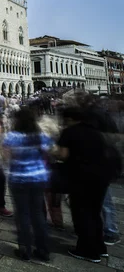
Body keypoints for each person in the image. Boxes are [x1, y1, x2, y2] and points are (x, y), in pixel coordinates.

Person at [58, 105, 110, 263]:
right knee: (95, 213)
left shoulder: (70, 132)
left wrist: (52, 150)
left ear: (69, 119)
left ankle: (87, 250)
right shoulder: (96, 132)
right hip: (101, 177)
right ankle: (100, 248)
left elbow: (62, 155)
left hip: (81, 177)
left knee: (82, 213)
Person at [2, 108, 51, 262]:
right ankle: (43, 250)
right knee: (38, 214)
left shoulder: (11, 137)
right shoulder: (41, 136)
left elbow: (5, 157)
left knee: (22, 213)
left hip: (18, 179)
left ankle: (25, 249)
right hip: (38, 178)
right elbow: (48, 154)